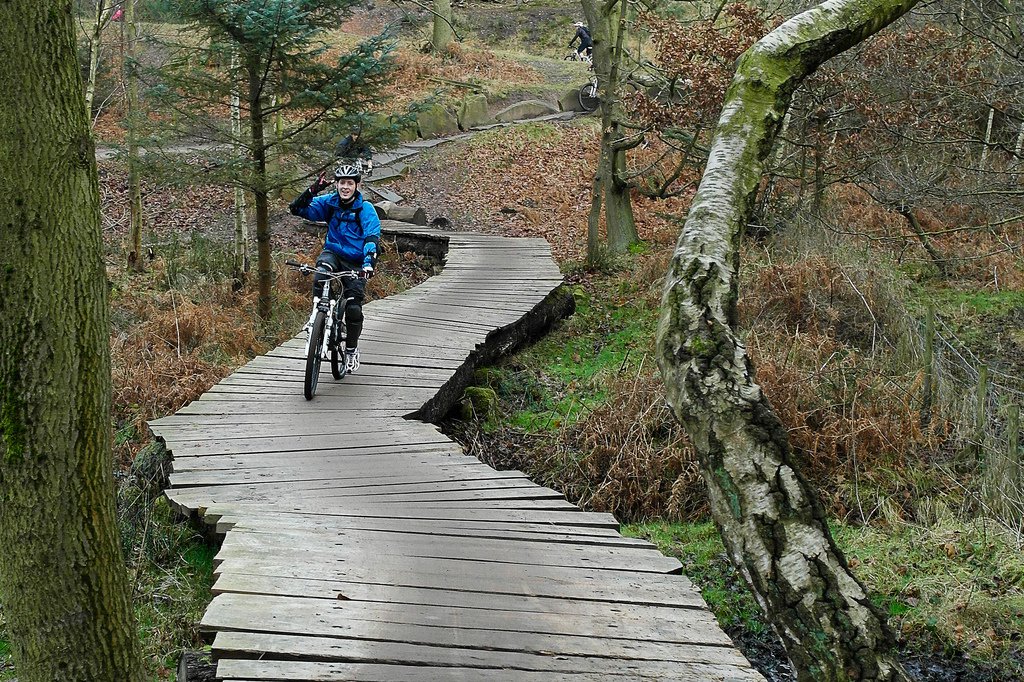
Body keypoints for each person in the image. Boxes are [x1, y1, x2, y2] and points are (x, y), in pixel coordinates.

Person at [288, 164, 380, 373]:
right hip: (333, 254)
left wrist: (368, 263)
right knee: (320, 275)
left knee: (354, 308)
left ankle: (351, 349)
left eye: (349, 183)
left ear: (357, 185)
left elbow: (372, 237)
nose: (345, 187)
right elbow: (297, 209)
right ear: (336, 184)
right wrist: (312, 190)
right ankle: (317, 318)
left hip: (356, 261)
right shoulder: (330, 202)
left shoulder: (365, 209)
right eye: (341, 183)